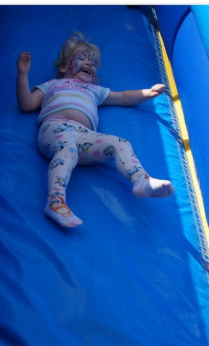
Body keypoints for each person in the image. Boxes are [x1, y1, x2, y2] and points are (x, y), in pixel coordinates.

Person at [17, 32, 174, 228]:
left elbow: (123, 97)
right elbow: (27, 104)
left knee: (121, 143)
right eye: (82, 58)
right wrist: (23, 75)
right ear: (64, 66)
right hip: (55, 127)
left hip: (84, 135)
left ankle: (141, 180)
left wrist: (148, 93)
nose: (89, 64)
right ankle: (55, 202)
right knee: (67, 151)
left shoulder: (95, 91)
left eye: (93, 63)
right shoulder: (53, 85)